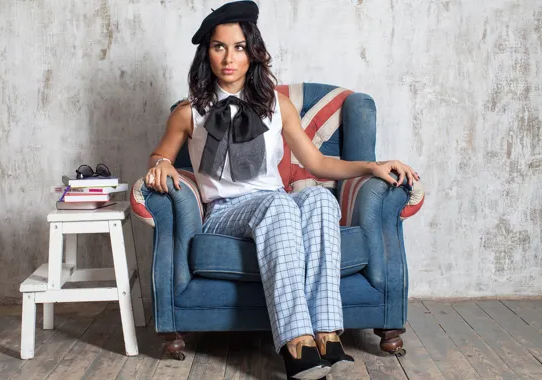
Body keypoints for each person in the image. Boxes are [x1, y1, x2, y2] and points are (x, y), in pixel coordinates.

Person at [144, 1, 419, 379]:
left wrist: (373, 165)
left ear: (252, 53)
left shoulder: (278, 105)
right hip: (226, 212)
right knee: (280, 206)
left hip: (275, 206)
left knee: (321, 197)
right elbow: (162, 154)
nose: (229, 58)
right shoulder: (189, 112)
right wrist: (160, 164)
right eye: (218, 46)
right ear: (206, 53)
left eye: (239, 47)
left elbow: (319, 164)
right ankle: (295, 343)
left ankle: (326, 331)